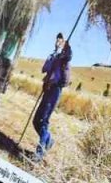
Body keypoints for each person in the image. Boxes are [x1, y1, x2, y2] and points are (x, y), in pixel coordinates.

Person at [33, 33, 72, 161]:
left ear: (64, 43)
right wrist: (53, 56)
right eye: (57, 39)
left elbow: (69, 55)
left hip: (55, 91)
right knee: (36, 121)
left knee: (43, 122)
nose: (57, 41)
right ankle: (49, 140)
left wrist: (66, 47)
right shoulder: (53, 56)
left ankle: (39, 153)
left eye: (60, 39)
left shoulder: (64, 58)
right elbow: (44, 69)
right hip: (47, 89)